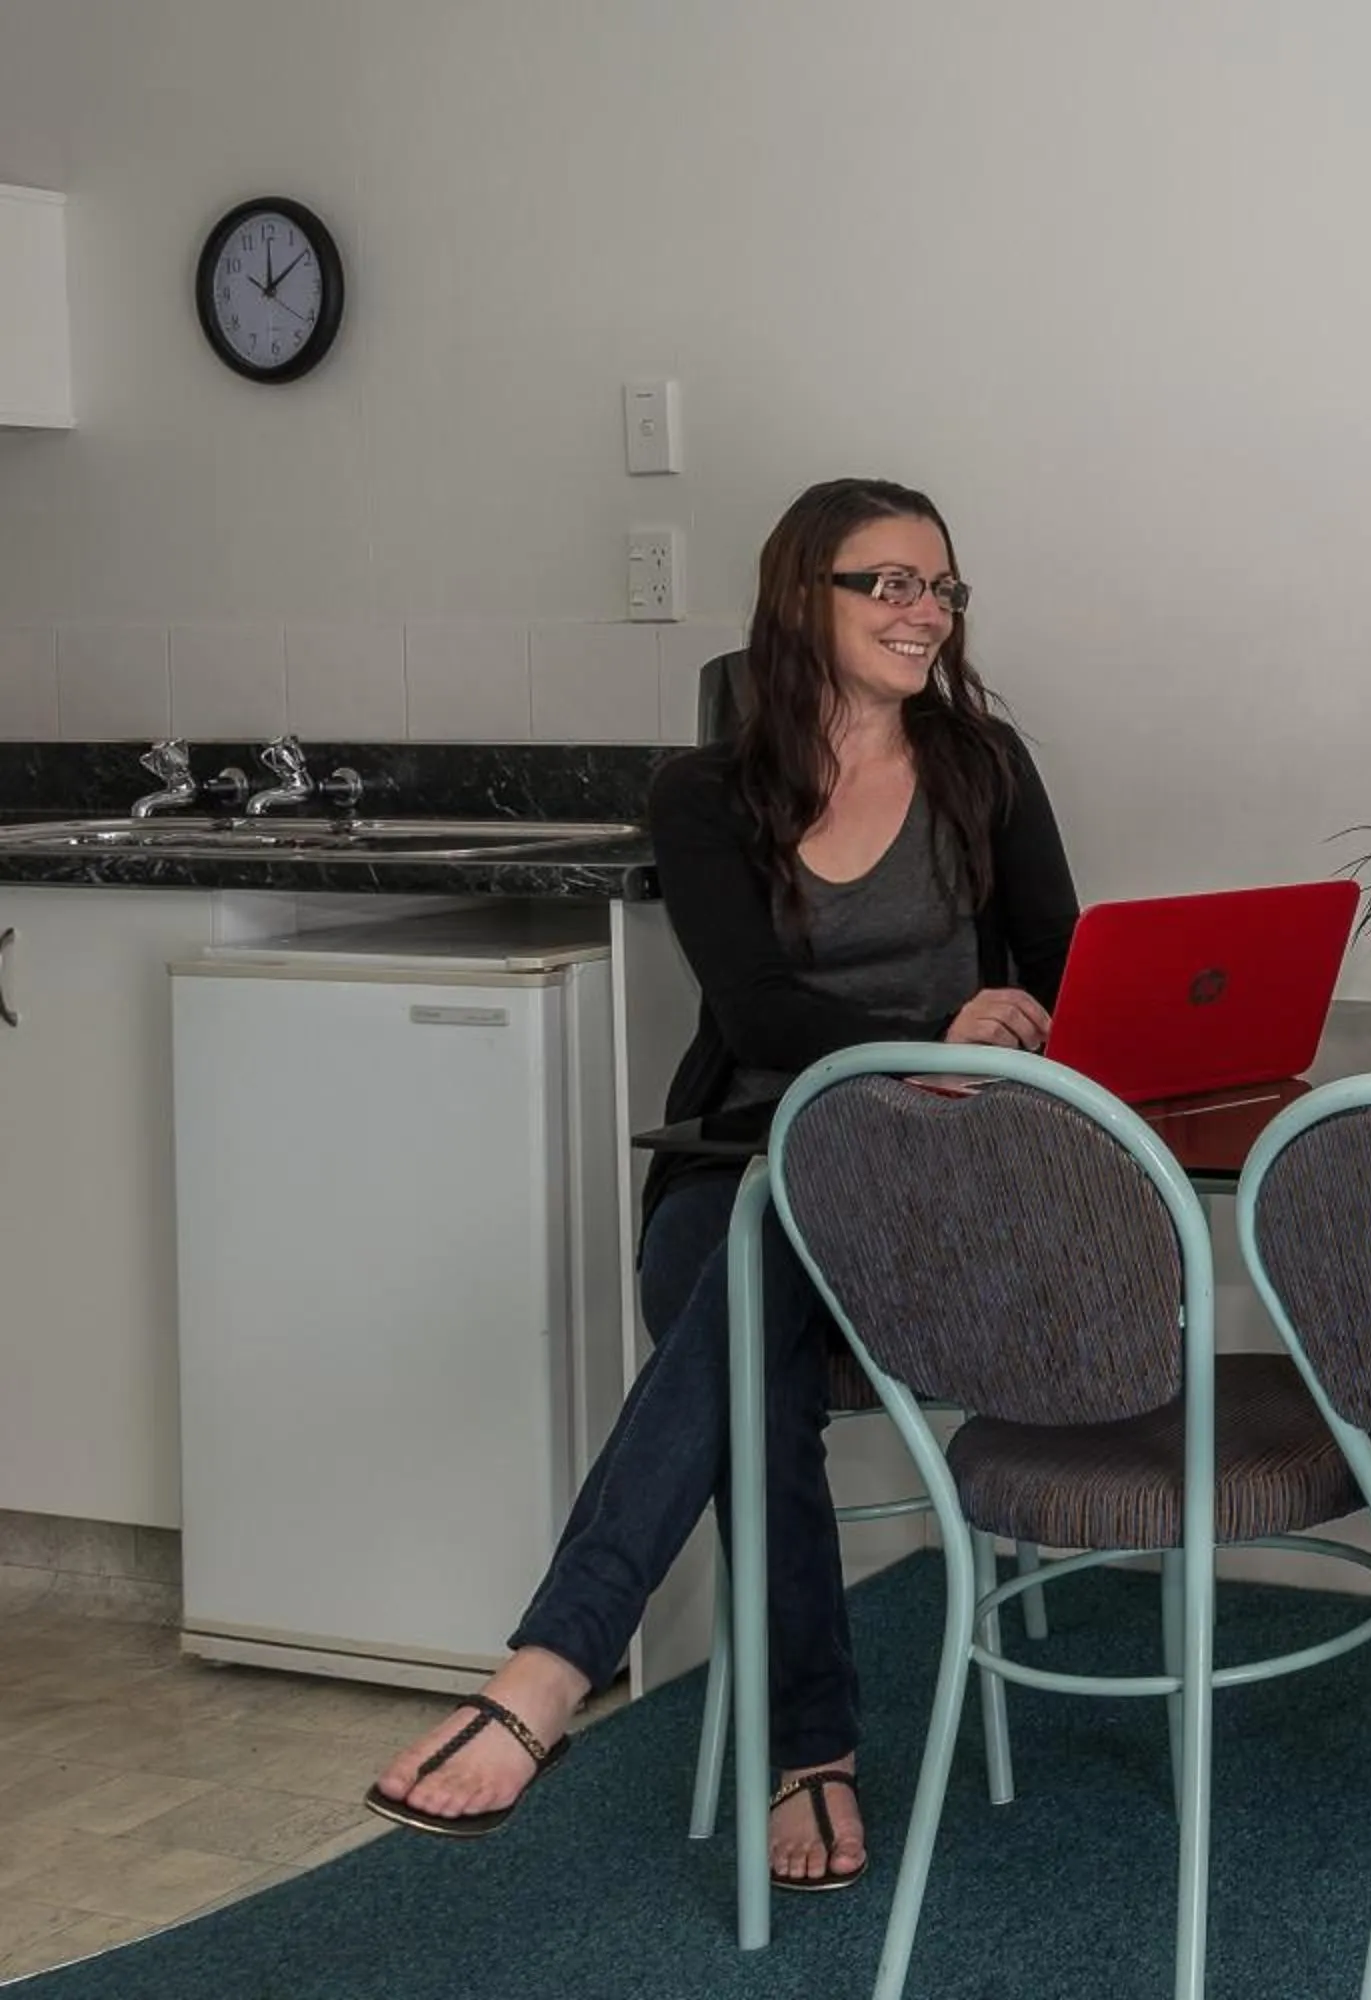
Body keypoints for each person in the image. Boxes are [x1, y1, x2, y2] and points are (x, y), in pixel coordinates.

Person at [366, 476, 1080, 1893]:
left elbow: (1064, 976)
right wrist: (928, 1029)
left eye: (940, 587)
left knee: (754, 1277)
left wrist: (1010, 1034)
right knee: (751, 1267)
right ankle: (799, 1754)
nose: (922, 611)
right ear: (799, 596)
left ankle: (556, 1674)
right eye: (887, 582)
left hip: (935, 1177)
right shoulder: (702, 796)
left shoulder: (983, 767)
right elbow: (755, 1015)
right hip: (745, 1158)